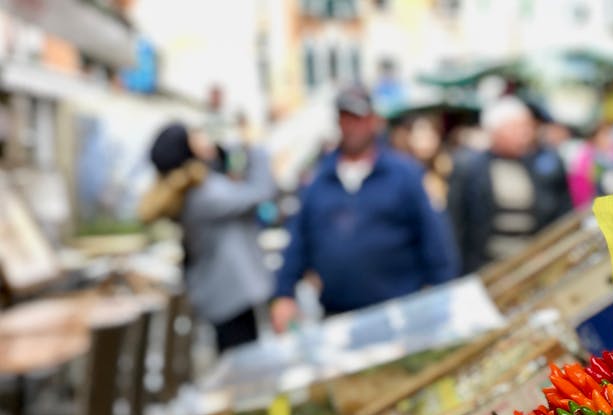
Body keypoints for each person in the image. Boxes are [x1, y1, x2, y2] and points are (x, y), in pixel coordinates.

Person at [270, 85, 459, 332]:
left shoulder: (404, 174)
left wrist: (442, 294)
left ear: (373, 121)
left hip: (400, 312)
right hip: (338, 314)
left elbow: (435, 240)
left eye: (358, 119)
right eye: (345, 119)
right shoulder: (319, 181)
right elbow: (298, 241)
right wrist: (284, 294)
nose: (352, 127)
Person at [138, 122, 276, 353]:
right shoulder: (203, 194)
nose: (205, 141)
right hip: (230, 297)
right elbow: (260, 192)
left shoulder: (190, 192)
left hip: (220, 295)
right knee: (242, 366)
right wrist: (255, 147)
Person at [446, 96, 573, 274]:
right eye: (517, 128)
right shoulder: (470, 168)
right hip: (484, 267)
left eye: (527, 127)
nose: (525, 134)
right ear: (496, 131)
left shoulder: (541, 165)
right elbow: (457, 223)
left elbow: (558, 212)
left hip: (530, 267)